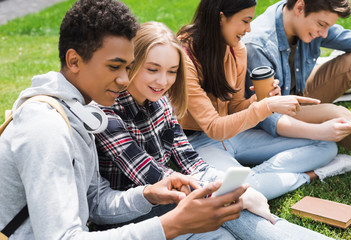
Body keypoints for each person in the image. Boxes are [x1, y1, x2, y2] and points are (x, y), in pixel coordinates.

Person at [0, 1, 259, 239]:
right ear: (74, 61)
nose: (125, 80)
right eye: (115, 67)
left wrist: (148, 194)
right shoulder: (47, 128)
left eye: (128, 67)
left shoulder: (81, 110)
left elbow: (96, 201)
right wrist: (170, 225)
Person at [95, 20, 332, 240]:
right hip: (133, 211)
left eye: (171, 71)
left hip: (173, 195)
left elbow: (189, 159)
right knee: (229, 213)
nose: (163, 81)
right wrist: (221, 193)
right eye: (153, 69)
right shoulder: (108, 112)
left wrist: (229, 188)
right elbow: (150, 174)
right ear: (132, 64)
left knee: (233, 211)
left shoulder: (161, 101)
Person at [174, 0, 351, 201]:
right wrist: (266, 106)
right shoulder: (184, 57)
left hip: (235, 134)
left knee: (326, 146)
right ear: (220, 17)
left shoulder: (236, 49)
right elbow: (213, 128)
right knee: (234, 193)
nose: (248, 29)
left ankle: (256, 178)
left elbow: (234, 108)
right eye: (245, 21)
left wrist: (259, 101)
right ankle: (306, 176)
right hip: (198, 141)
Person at [242, 0, 351, 156]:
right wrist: (318, 131)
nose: (325, 34)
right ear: (299, 7)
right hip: (276, 115)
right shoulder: (258, 45)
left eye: (328, 27)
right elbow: (267, 116)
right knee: (335, 114)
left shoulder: (302, 18)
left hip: (299, 93)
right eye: (321, 25)